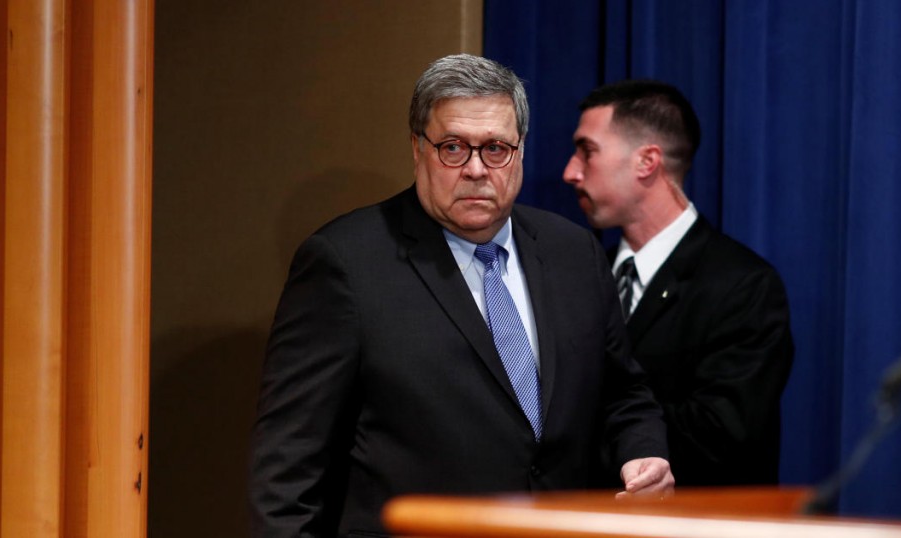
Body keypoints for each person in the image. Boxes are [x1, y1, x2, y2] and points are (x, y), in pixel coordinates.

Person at [249, 55, 674, 537]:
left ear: (521, 151)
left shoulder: (573, 252)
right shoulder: (345, 263)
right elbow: (289, 466)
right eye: (452, 147)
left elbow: (624, 392)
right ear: (417, 148)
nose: (475, 169)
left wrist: (644, 451)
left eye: (495, 148)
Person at [563, 80, 794, 486]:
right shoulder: (581, 272)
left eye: (588, 151)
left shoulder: (744, 286)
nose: (570, 171)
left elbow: (720, 437)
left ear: (647, 162)